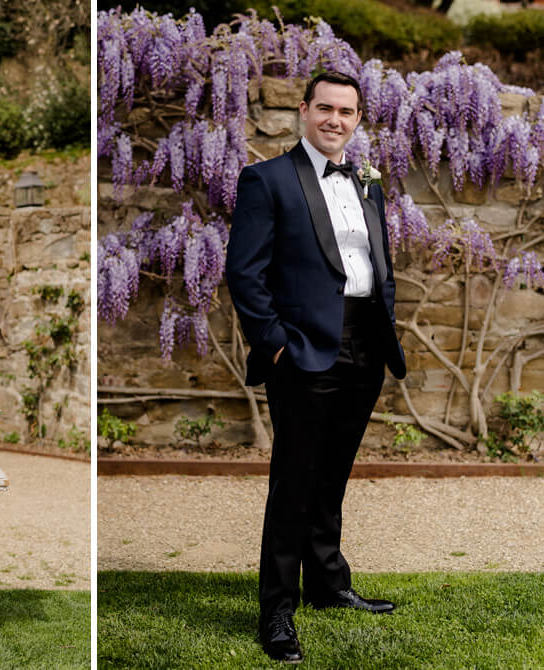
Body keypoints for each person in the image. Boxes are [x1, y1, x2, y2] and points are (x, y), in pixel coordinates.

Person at [226, 71, 407, 664]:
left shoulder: (368, 181)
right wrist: (275, 343)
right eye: (325, 108)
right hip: (302, 350)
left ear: (358, 119)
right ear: (303, 111)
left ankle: (329, 584)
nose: (335, 120)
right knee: (294, 484)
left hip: (365, 346)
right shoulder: (267, 179)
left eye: (347, 112)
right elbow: (244, 273)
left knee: (332, 478)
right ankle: (277, 613)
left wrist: (386, 321)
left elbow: (375, 261)